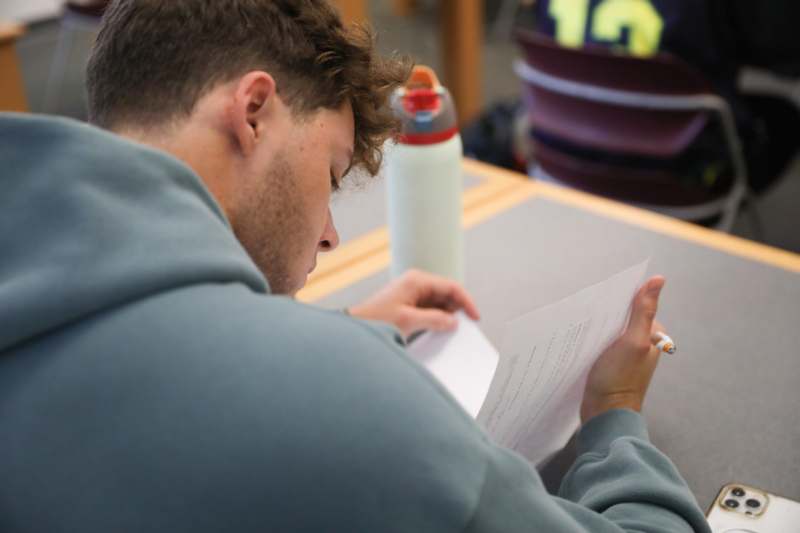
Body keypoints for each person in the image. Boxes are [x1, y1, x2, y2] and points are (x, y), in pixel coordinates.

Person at [0, 1, 710, 531]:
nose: (334, 235)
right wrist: (614, 418)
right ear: (252, 111)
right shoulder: (339, 399)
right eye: (332, 173)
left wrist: (340, 327)